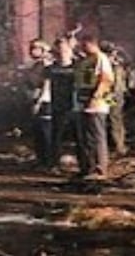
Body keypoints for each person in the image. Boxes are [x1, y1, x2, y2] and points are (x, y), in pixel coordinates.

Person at [73, 33, 115, 182]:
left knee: (96, 137)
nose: (82, 48)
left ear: (91, 43)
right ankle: (86, 167)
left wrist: (95, 97)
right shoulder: (84, 60)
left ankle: (99, 168)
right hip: (81, 102)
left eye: (84, 45)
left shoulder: (100, 58)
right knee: (84, 138)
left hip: (95, 104)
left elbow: (106, 79)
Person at [44, 37, 80, 173]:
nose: (62, 53)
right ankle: (53, 164)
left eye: (65, 50)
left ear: (70, 51)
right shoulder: (50, 69)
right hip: (57, 106)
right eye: (59, 51)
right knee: (56, 136)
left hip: (75, 106)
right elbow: (44, 85)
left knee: (79, 137)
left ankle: (83, 165)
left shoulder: (77, 67)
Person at [25, 38, 55, 170]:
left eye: (35, 48)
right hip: (34, 99)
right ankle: (40, 159)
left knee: (45, 132)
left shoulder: (46, 65)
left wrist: (39, 102)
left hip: (44, 102)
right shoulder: (35, 65)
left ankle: (48, 161)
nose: (31, 50)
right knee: (37, 132)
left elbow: (46, 85)